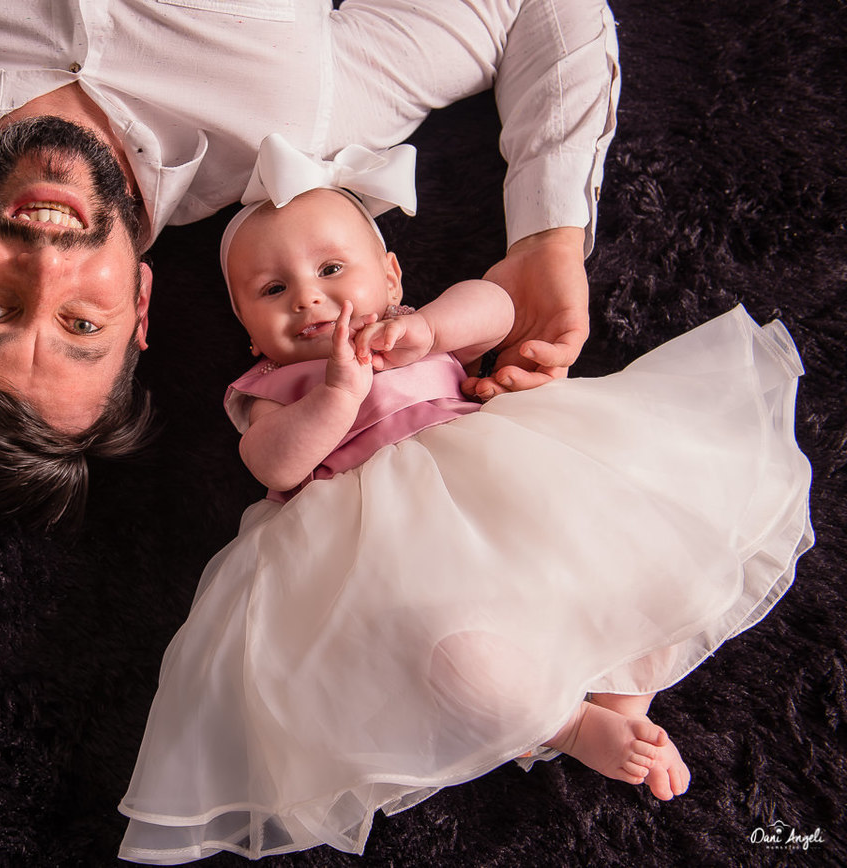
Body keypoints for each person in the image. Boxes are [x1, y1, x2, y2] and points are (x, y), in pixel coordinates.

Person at [115, 139, 814, 863]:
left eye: (331, 269)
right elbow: (271, 462)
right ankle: (569, 725)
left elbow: (498, 306)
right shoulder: (272, 388)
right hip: (391, 553)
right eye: (271, 290)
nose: (307, 298)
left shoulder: (412, 328)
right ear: (246, 327)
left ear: (391, 277)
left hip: (503, 481)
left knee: (641, 544)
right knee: (465, 669)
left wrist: (430, 330)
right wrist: (336, 396)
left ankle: (625, 694)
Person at [0, 0, 621, 524]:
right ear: (142, 304)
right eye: (81, 324)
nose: (46, 265)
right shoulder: (295, 120)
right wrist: (548, 239)